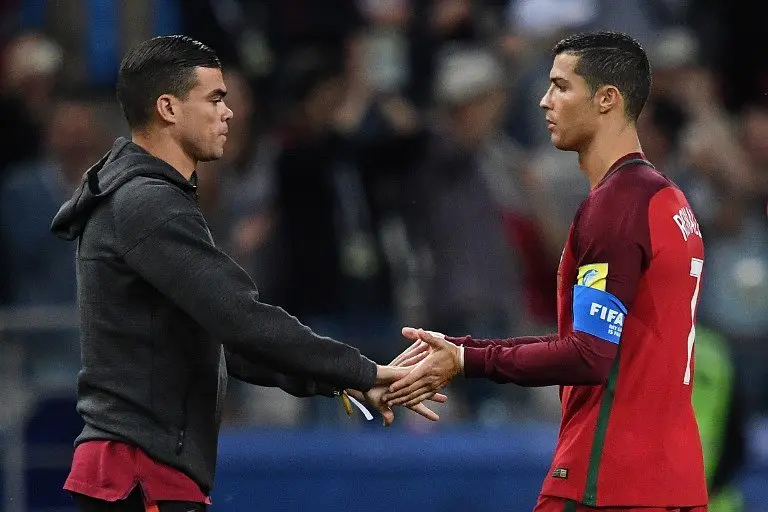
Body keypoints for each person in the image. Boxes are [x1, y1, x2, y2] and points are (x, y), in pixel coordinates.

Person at [50, 35, 438, 512]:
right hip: (139, 472)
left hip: (142, 469)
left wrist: (346, 380)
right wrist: (361, 369)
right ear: (168, 108)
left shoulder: (146, 198)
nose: (229, 113)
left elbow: (224, 341)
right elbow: (240, 319)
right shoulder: (148, 203)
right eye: (214, 99)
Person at [383, 31, 708, 511]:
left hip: (608, 480)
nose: (543, 100)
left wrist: (466, 359)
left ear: (607, 100)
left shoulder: (616, 207)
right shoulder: (668, 199)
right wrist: (463, 349)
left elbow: (589, 354)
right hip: (673, 481)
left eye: (560, 86)